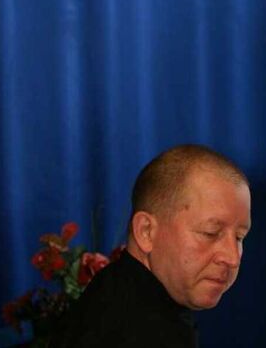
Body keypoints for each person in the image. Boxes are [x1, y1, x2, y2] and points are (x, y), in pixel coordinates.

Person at [51, 144, 251, 347]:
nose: (233, 258)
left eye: (239, 237)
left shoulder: (113, 291)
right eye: (210, 233)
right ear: (146, 231)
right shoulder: (142, 330)